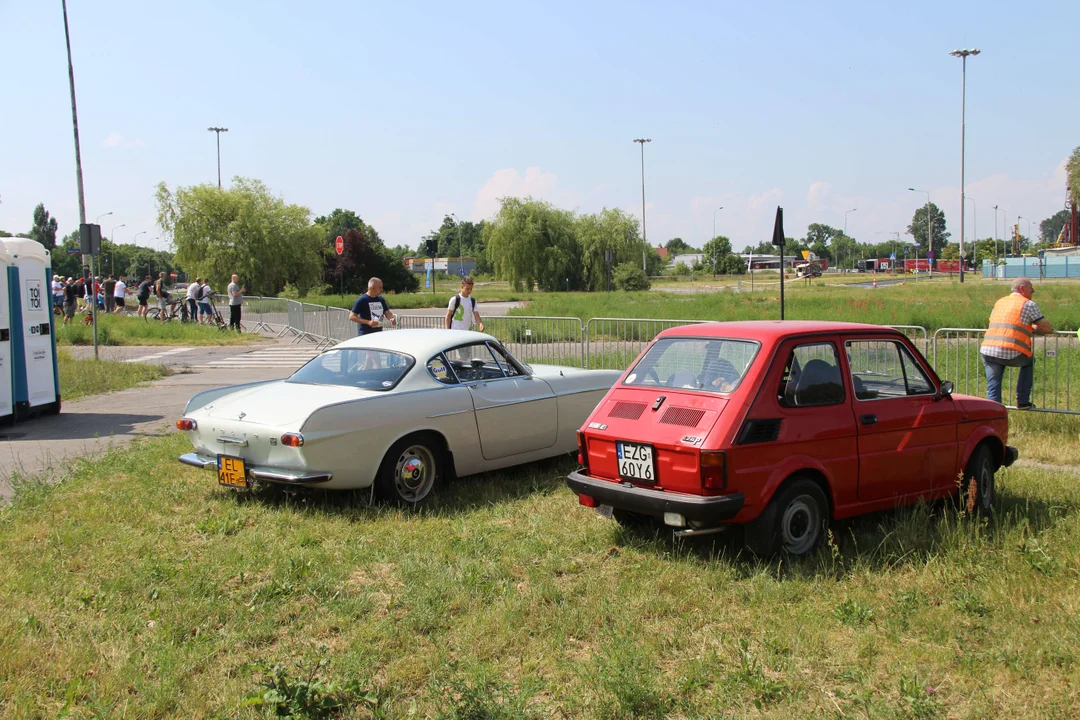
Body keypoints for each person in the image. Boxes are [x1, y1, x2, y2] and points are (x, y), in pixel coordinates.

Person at [980, 277, 1053, 409]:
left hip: (988, 350)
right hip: (1011, 350)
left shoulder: (1000, 302)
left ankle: (994, 414)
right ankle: (1023, 400)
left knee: (993, 385)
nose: (1033, 291)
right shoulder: (1028, 304)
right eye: (1031, 288)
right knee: (1029, 361)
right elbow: (1046, 327)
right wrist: (1034, 328)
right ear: (1022, 289)